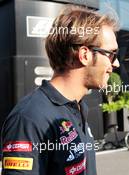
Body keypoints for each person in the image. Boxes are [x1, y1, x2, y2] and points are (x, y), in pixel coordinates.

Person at [1, 5, 119, 175]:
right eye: (111, 54)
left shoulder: (77, 107)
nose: (115, 64)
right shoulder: (29, 118)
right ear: (85, 55)